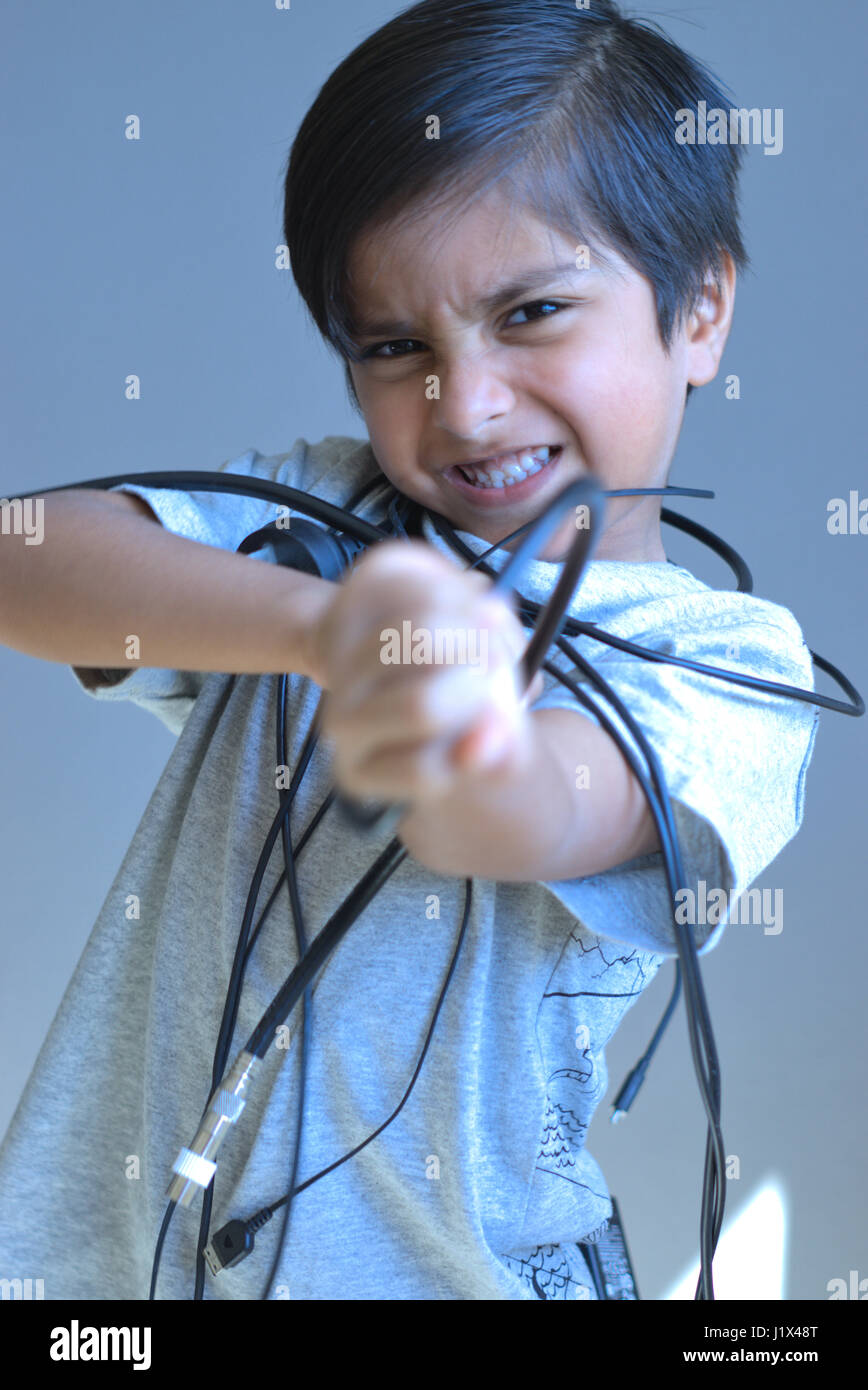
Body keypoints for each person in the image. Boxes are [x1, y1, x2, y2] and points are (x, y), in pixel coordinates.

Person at [0, 0, 818, 1300]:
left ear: (701, 306)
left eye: (534, 311)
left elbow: (536, 805)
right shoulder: (320, 518)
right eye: (395, 346)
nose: (467, 402)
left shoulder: (726, 665)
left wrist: (460, 743)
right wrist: (323, 626)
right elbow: (28, 554)